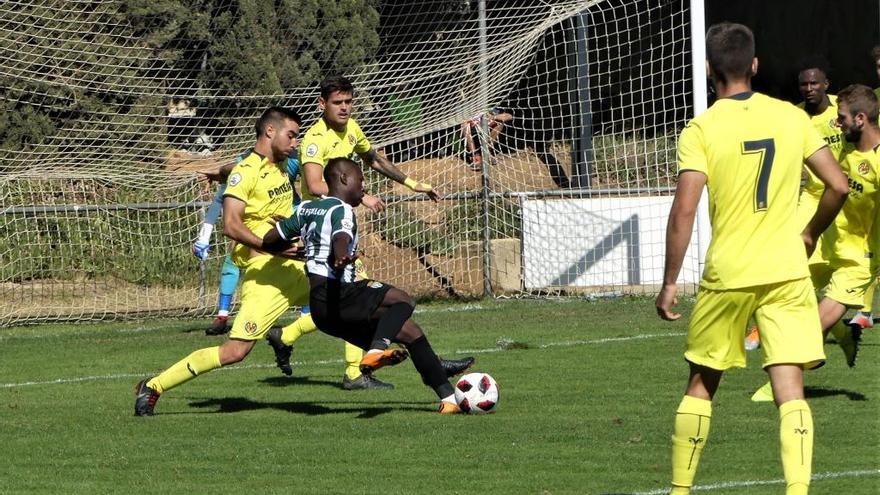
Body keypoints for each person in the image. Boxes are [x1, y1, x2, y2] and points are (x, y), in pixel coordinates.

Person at [655, 22, 848, 495]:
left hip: (730, 272)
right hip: (786, 271)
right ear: (755, 65)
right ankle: (798, 491)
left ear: (707, 70)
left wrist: (670, 281)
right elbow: (838, 185)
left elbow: (684, 209)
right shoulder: (791, 117)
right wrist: (809, 232)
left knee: (703, 381)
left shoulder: (702, 129)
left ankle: (681, 490)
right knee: (791, 389)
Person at [266, 75, 466, 391]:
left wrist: (414, 184)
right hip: (324, 230)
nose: (344, 108)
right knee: (364, 300)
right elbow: (317, 184)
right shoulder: (316, 140)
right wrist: (360, 196)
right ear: (322, 104)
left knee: (348, 304)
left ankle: (293, 339)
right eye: (337, 103)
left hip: (342, 226)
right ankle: (367, 369)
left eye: (348, 101)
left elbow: (373, 159)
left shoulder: (353, 128)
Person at [134, 106, 313, 416]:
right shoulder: (248, 172)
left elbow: (234, 169)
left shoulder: (284, 165)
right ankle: (153, 387)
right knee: (235, 352)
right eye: (292, 135)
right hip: (265, 273)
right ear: (270, 132)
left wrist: (217, 172)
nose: (295, 142)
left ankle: (368, 356)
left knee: (346, 295)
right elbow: (230, 225)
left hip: (296, 265)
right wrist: (275, 248)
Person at [263, 157, 472, 413]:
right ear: (342, 179)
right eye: (360, 180)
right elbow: (342, 236)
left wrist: (296, 249)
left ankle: (449, 399)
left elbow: (269, 239)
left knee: (410, 332)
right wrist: (340, 255)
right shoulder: (342, 210)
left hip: (321, 311)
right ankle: (376, 350)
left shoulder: (307, 209)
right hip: (340, 293)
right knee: (403, 299)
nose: (363, 186)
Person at [745, 57, 845, 350]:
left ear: (826, 84)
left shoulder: (845, 109)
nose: (809, 88)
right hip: (813, 196)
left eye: (815, 83)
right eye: (804, 84)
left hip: (847, 198)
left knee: (849, 263)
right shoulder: (795, 117)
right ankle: (764, 325)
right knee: (794, 257)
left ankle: (832, 321)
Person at [192, 150, 302, 337]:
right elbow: (223, 192)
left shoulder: (290, 160)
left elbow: (313, 177)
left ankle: (305, 315)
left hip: (288, 217)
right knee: (233, 262)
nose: (293, 142)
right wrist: (204, 235)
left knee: (300, 260)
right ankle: (223, 316)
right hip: (259, 222)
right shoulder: (247, 163)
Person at [461, 107, 513, 171]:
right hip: (472, 126)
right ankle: (474, 155)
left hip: (485, 126)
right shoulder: (469, 106)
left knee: (499, 124)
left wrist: (493, 117)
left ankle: (486, 152)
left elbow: (509, 116)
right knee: (464, 124)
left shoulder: (491, 107)